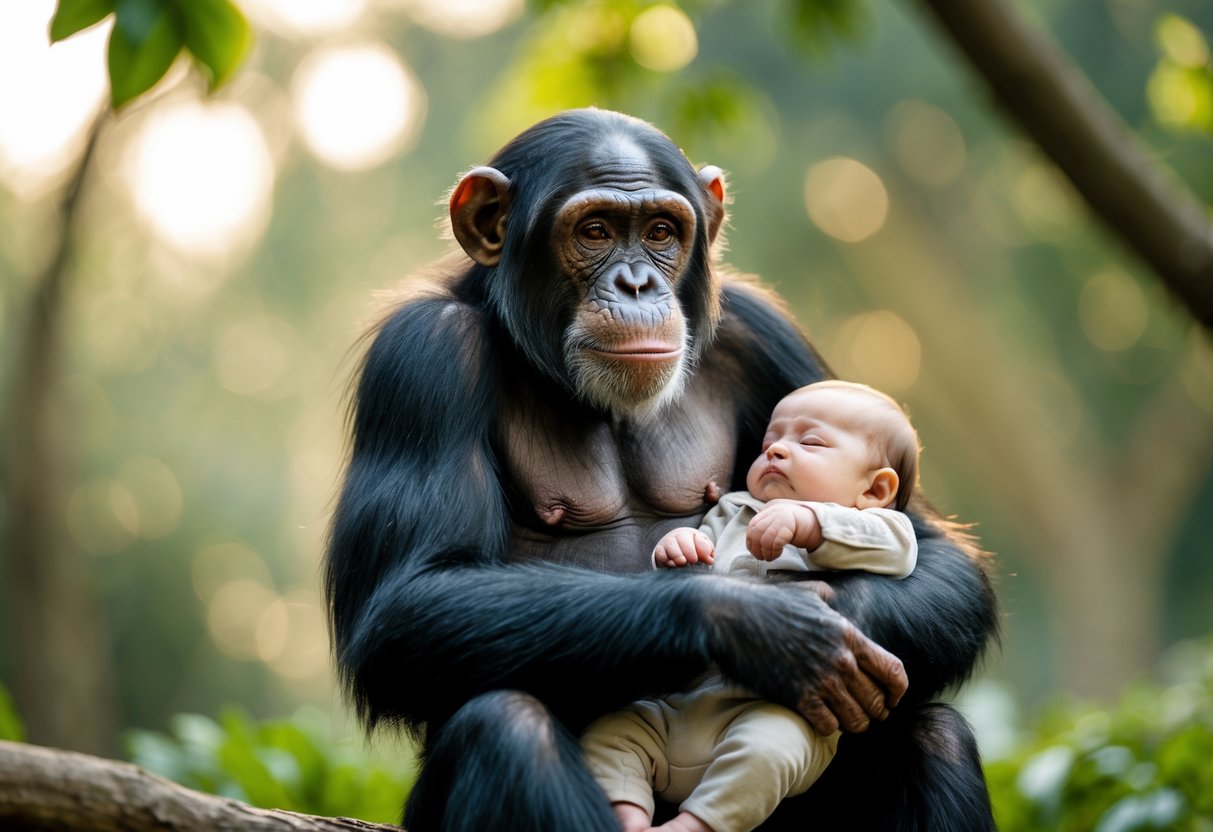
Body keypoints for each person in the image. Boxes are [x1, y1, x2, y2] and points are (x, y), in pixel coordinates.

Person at [581, 380, 921, 832]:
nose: (776, 451)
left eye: (811, 443)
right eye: (768, 443)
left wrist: (809, 521)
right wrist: (682, 544)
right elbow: (701, 552)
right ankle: (627, 817)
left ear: (876, 491)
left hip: (774, 711)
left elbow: (900, 547)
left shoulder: (872, 525)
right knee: (608, 735)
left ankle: (694, 827)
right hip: (683, 704)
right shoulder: (736, 509)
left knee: (771, 749)